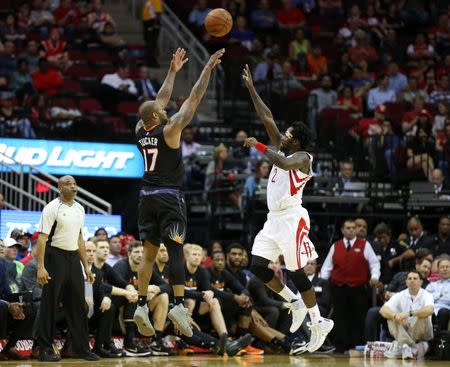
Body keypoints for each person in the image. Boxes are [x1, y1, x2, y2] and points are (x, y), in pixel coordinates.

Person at [241, 64, 334, 353]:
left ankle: (319, 322)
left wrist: (258, 145)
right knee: (257, 265)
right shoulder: (282, 148)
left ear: (296, 139)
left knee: (295, 270)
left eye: (287, 134)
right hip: (273, 220)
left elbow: (282, 163)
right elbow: (266, 116)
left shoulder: (304, 157)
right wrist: (251, 89)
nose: (282, 135)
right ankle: (294, 301)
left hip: (293, 218)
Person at [133, 47, 225, 338]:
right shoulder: (170, 130)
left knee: (148, 255)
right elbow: (194, 99)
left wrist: (172, 71)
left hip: (146, 198)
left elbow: (157, 101)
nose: (167, 107)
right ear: (159, 117)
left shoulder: (140, 128)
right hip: (169, 198)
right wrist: (207, 69)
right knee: (175, 251)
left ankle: (139, 304)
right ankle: (176, 304)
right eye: (164, 110)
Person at [34, 175, 99, 361]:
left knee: (78, 305)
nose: (73, 187)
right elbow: (42, 239)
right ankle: (44, 348)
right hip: (55, 256)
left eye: (74, 184)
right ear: (60, 188)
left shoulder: (80, 208)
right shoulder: (52, 208)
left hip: (72, 258)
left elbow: (79, 238)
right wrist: (41, 267)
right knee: (50, 304)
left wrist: (86, 266)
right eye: (68, 184)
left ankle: (81, 348)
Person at [320, 219, 380, 353]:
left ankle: (357, 346)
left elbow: (374, 264)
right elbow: (327, 267)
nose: (351, 230)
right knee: (340, 317)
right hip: (338, 287)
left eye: (353, 228)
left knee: (358, 317)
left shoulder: (365, 245)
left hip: (358, 288)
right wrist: (322, 281)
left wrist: (375, 276)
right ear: (342, 230)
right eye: (348, 228)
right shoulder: (336, 246)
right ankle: (341, 346)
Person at [380, 270, 434, 360]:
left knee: (421, 315)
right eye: (409, 278)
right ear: (406, 282)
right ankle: (408, 346)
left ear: (421, 282)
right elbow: (383, 310)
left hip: (423, 332)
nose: (412, 280)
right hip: (405, 329)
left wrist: (409, 313)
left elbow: (429, 310)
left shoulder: (427, 295)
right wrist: (395, 316)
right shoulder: (399, 295)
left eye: (415, 278)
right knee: (391, 316)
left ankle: (402, 344)